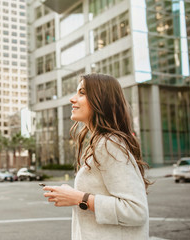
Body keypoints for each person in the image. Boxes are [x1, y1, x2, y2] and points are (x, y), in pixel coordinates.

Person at [43, 73, 150, 240]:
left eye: (82, 93)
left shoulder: (109, 145)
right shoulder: (100, 144)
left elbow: (136, 211)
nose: (72, 99)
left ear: (101, 99)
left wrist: (78, 198)